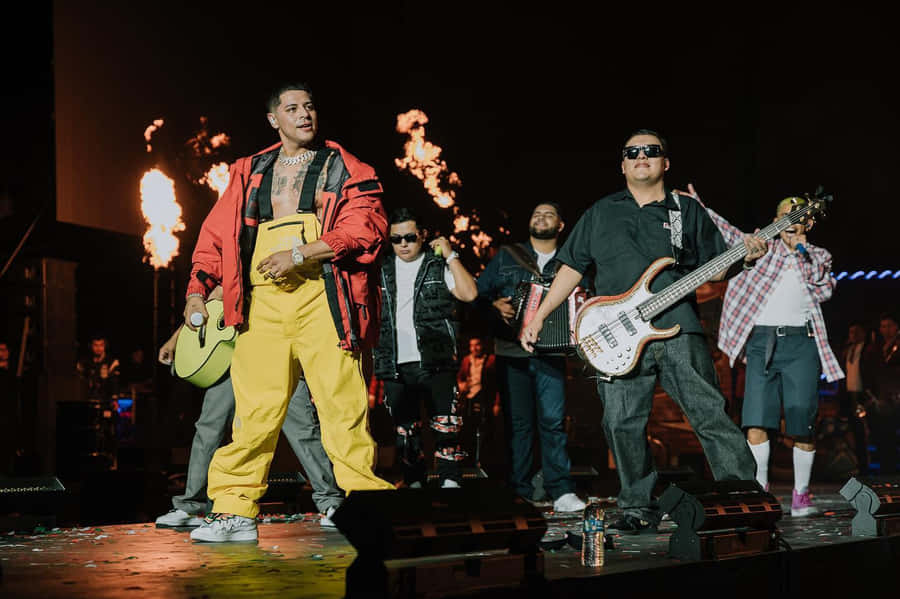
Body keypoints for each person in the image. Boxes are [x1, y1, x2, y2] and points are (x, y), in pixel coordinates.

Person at [183, 81, 394, 543]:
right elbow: (217, 236)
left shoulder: (344, 166)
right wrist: (199, 290)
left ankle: (366, 504)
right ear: (273, 119)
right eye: (293, 108)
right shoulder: (248, 171)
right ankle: (235, 510)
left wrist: (301, 253)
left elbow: (365, 226)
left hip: (323, 299)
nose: (304, 114)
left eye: (310, 106)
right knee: (255, 411)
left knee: (343, 406)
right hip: (262, 306)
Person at [520, 130, 763, 532]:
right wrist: (541, 315)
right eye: (632, 152)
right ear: (622, 165)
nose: (641, 157)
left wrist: (747, 256)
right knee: (620, 422)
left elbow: (717, 267)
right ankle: (637, 506)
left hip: (679, 329)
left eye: (651, 151)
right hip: (617, 333)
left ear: (665, 163)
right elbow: (572, 267)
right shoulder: (601, 212)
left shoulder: (686, 210)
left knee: (709, 414)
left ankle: (743, 497)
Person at [698, 190, 843, 516]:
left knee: (802, 418)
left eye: (799, 218)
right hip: (762, 342)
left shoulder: (818, 255)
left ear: (808, 223)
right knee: (756, 418)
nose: (793, 223)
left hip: (801, 342)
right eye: (786, 218)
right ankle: (761, 487)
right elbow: (726, 229)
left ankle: (801, 493)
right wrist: (696, 202)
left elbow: (825, 290)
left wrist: (801, 252)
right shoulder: (760, 247)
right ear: (776, 222)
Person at [153, 318, 343, 529]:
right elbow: (209, 302)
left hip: (276, 348)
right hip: (231, 353)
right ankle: (191, 505)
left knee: (303, 427)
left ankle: (331, 503)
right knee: (209, 428)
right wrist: (175, 338)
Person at [477, 202, 586, 513]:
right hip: (512, 351)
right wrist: (494, 305)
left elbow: (587, 295)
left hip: (552, 352)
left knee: (552, 422)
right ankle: (520, 491)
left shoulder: (571, 260)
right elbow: (478, 292)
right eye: (536, 213)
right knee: (518, 424)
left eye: (549, 213)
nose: (541, 217)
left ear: (561, 225)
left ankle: (561, 490)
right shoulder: (508, 256)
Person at [373, 208, 478, 488]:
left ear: (423, 235)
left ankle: (450, 483)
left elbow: (469, 293)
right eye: (396, 239)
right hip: (393, 362)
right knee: (406, 433)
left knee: (447, 426)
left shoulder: (437, 265)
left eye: (409, 237)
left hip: (436, 358)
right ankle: (415, 484)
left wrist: (451, 255)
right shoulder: (381, 269)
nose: (403, 244)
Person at [867, 313, 900, 474]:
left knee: (893, 436)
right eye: (883, 326)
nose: (885, 330)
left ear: (896, 327)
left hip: (896, 397)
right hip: (882, 398)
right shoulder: (877, 348)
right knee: (883, 436)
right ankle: (887, 470)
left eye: (889, 326)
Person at [76, 335, 120, 402]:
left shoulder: (112, 362)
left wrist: (115, 399)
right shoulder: (85, 362)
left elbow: (114, 383)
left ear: (105, 346)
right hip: (88, 399)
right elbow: (80, 381)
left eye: (101, 345)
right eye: (95, 345)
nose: (98, 348)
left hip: (106, 400)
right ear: (91, 346)